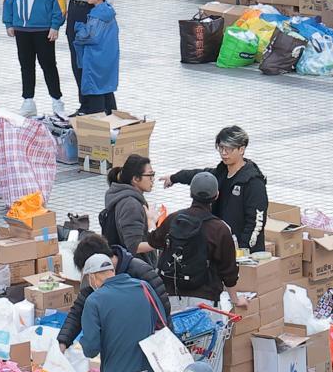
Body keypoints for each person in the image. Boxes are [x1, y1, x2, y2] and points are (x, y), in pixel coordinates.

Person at [58, 233, 170, 352]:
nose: (89, 278)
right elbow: (79, 310)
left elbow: (163, 309)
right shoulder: (95, 280)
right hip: (118, 347)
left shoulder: (139, 272)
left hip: (150, 344)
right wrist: (63, 341)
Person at [165, 126, 268, 254]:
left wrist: (242, 250)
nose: (224, 153)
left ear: (241, 149)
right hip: (220, 245)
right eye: (221, 148)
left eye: (229, 149)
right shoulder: (222, 172)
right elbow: (200, 175)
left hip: (245, 254)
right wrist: (174, 178)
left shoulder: (253, 182)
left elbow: (256, 223)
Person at [147, 171, 239, 309]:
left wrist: (151, 221)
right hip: (205, 300)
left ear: (191, 193)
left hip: (171, 296)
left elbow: (153, 241)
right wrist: (235, 299)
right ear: (216, 195)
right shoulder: (220, 229)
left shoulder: (173, 219)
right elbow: (228, 271)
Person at [1, 0, 67, 118]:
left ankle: (57, 100)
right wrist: (8, 22)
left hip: (43, 29)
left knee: (48, 64)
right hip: (21, 28)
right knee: (26, 64)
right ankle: (28, 100)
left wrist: (55, 25)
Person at [70, 0, 119, 115]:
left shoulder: (97, 15)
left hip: (95, 61)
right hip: (107, 59)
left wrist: (79, 29)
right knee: (107, 92)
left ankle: (99, 127)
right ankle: (114, 122)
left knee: (95, 93)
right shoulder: (108, 12)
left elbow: (90, 35)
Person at [103, 153, 157, 258]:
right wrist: (152, 224)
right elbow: (134, 246)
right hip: (136, 268)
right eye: (150, 175)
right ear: (135, 179)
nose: (153, 179)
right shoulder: (131, 205)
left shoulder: (122, 196)